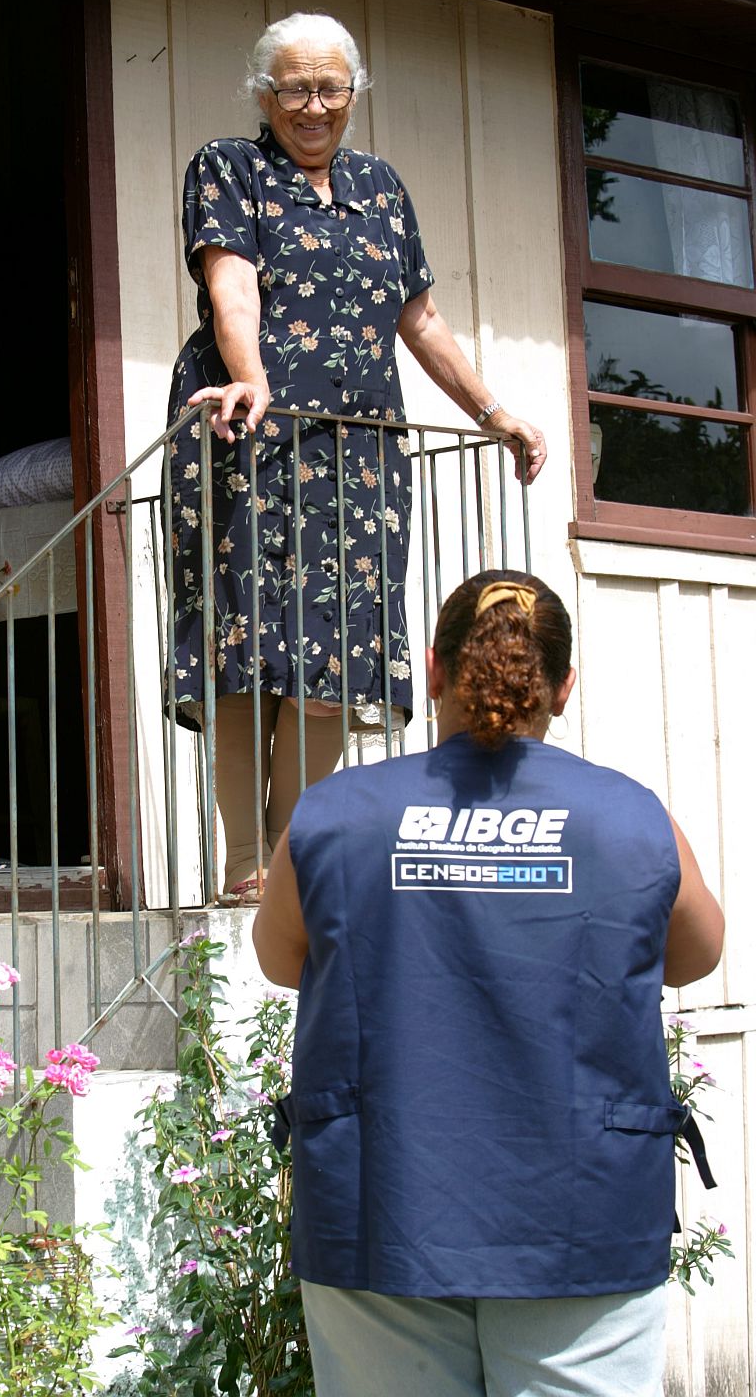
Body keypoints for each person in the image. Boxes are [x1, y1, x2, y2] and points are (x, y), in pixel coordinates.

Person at [253, 569, 724, 1397]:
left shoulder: (332, 816)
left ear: (432, 669)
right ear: (564, 686)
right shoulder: (631, 818)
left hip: (381, 1214)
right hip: (581, 1223)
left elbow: (279, 957)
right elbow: (696, 954)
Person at [165, 12, 547, 904]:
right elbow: (233, 286)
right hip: (248, 435)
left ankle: (290, 850)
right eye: (295, 87)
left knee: (335, 657)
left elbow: (418, 319)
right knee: (245, 648)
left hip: (361, 452)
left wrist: (496, 414)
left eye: (330, 87)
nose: (313, 105)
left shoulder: (381, 186)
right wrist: (251, 379)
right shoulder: (231, 168)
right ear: (265, 94)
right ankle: (240, 859)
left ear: (353, 94)